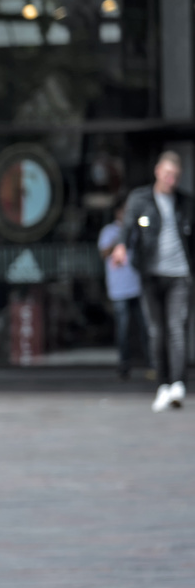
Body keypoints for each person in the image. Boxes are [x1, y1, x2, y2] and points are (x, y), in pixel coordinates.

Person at [114, 151, 191, 411]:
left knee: (176, 328)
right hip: (151, 275)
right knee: (157, 332)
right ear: (158, 171)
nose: (172, 180)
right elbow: (128, 229)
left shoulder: (185, 203)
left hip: (180, 274)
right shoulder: (141, 199)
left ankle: (179, 384)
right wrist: (122, 247)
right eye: (168, 174)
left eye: (176, 176)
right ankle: (163, 385)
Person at [98, 197, 147, 380]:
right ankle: (124, 365)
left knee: (145, 328)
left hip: (137, 286)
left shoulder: (136, 229)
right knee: (123, 329)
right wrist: (121, 236)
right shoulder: (109, 231)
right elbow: (103, 253)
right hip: (119, 289)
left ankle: (152, 363)